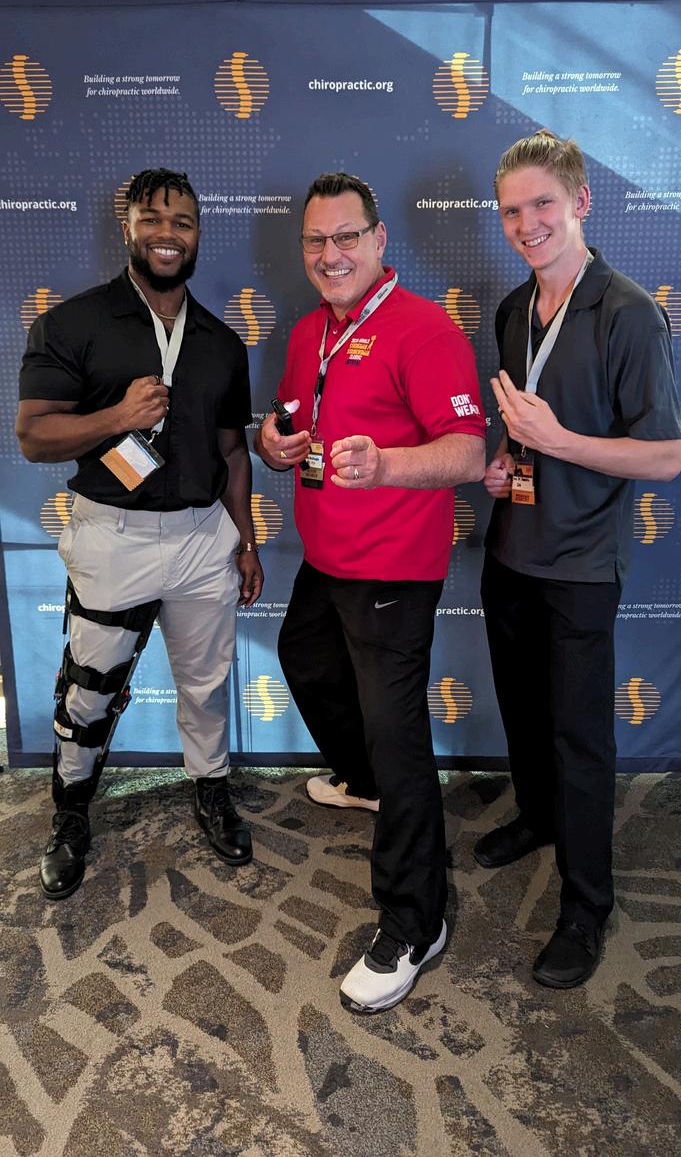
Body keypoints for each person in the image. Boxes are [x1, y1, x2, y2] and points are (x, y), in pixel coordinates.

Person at [255, 172, 486, 1012]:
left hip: (393, 566)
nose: (330, 254)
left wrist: (386, 464)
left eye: (345, 236)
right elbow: (291, 419)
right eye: (316, 241)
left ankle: (416, 921)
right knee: (304, 660)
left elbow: (467, 451)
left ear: (379, 240)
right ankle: (363, 783)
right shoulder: (308, 331)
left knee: (397, 737)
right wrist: (273, 443)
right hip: (328, 557)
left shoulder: (423, 329)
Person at [17, 168, 263, 901]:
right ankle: (70, 812)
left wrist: (247, 540)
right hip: (113, 534)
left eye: (182, 221)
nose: (167, 234)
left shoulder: (220, 341)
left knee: (207, 684)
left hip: (201, 536)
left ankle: (211, 788)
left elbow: (232, 452)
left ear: (197, 234)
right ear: (127, 228)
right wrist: (118, 419)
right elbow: (33, 436)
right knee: (89, 690)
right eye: (152, 219)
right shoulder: (72, 324)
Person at [477, 130, 681, 988]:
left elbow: (665, 455)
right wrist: (504, 460)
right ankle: (537, 817)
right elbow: (521, 432)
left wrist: (560, 440)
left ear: (580, 203)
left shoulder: (628, 312)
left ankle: (585, 906)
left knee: (579, 737)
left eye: (542, 205)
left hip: (581, 565)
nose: (526, 224)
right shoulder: (511, 309)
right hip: (510, 548)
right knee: (523, 712)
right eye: (511, 211)